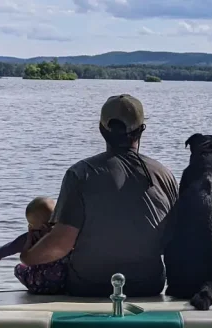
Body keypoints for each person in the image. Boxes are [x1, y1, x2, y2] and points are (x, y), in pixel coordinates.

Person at [19, 94, 179, 297]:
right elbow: (173, 241)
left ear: (101, 129)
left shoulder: (79, 174)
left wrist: (27, 257)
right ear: (140, 131)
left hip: (88, 286)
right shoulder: (164, 175)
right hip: (148, 286)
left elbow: (60, 245)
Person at [0, 197, 68, 294]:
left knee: (19, 268)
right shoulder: (63, 234)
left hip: (38, 284)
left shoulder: (32, 236)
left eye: (30, 224)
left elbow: (12, 246)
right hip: (62, 283)